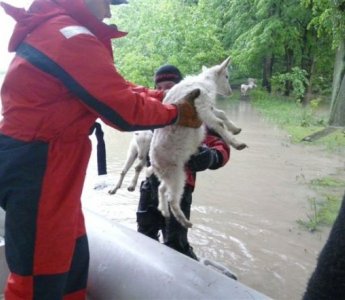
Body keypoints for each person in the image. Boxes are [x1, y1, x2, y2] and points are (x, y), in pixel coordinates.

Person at [0, 0, 202, 299]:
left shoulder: (61, 29)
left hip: (49, 161)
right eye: (107, 2)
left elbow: (118, 87)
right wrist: (175, 113)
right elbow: (123, 110)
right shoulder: (71, 36)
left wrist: (166, 97)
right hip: (40, 166)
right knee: (40, 276)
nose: (109, 11)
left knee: (73, 255)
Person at [136, 65, 231, 260]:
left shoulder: (196, 113)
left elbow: (222, 146)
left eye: (169, 85)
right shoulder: (152, 112)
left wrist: (212, 157)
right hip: (149, 186)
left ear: (179, 87)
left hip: (181, 189)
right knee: (144, 236)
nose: (163, 91)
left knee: (175, 245)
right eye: (159, 86)